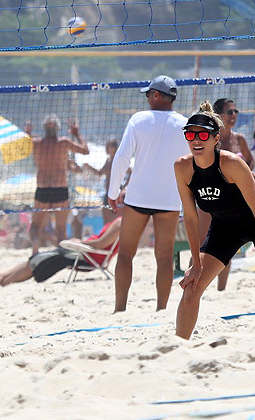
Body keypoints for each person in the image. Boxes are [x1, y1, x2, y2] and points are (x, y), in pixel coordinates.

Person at [174, 101, 255, 340]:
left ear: (215, 139)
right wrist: (195, 263)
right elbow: (191, 218)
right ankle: (178, 347)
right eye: (190, 134)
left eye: (203, 134)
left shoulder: (231, 163)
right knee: (191, 286)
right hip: (225, 228)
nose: (196, 139)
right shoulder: (182, 167)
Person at [108, 75, 189, 312]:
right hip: (169, 198)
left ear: (156, 95)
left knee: (125, 255)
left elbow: (122, 158)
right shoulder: (185, 124)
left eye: (148, 94)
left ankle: (120, 309)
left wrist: (113, 192)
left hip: (139, 197)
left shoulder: (139, 119)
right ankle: (161, 310)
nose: (146, 99)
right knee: (164, 258)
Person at [194, 98, 253, 291]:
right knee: (202, 245)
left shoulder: (240, 139)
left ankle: (221, 290)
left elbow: (250, 162)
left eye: (236, 111)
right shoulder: (210, 138)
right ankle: (194, 286)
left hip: (234, 202)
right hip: (210, 196)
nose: (234, 115)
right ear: (218, 116)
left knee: (227, 245)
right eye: (230, 112)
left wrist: (251, 182)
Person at [0, 216, 121, 286]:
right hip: (86, 253)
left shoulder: (121, 222)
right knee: (39, 257)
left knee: (42, 260)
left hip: (89, 257)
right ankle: (0, 276)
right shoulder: (120, 220)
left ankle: (1, 281)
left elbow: (102, 244)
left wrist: (79, 242)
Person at [25, 114, 89, 254]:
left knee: (35, 226)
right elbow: (85, 150)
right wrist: (77, 134)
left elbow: (21, 149)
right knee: (61, 229)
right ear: (58, 129)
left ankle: (35, 245)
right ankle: (60, 256)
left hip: (43, 188)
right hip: (60, 188)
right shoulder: (64, 143)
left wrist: (27, 135)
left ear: (44, 129)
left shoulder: (35, 143)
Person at [82, 139, 120, 225]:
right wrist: (89, 166)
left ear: (114, 148)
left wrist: (123, 186)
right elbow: (100, 173)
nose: (106, 148)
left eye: (108, 146)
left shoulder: (118, 160)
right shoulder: (109, 160)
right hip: (108, 193)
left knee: (115, 221)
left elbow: (130, 171)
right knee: (106, 222)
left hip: (116, 194)